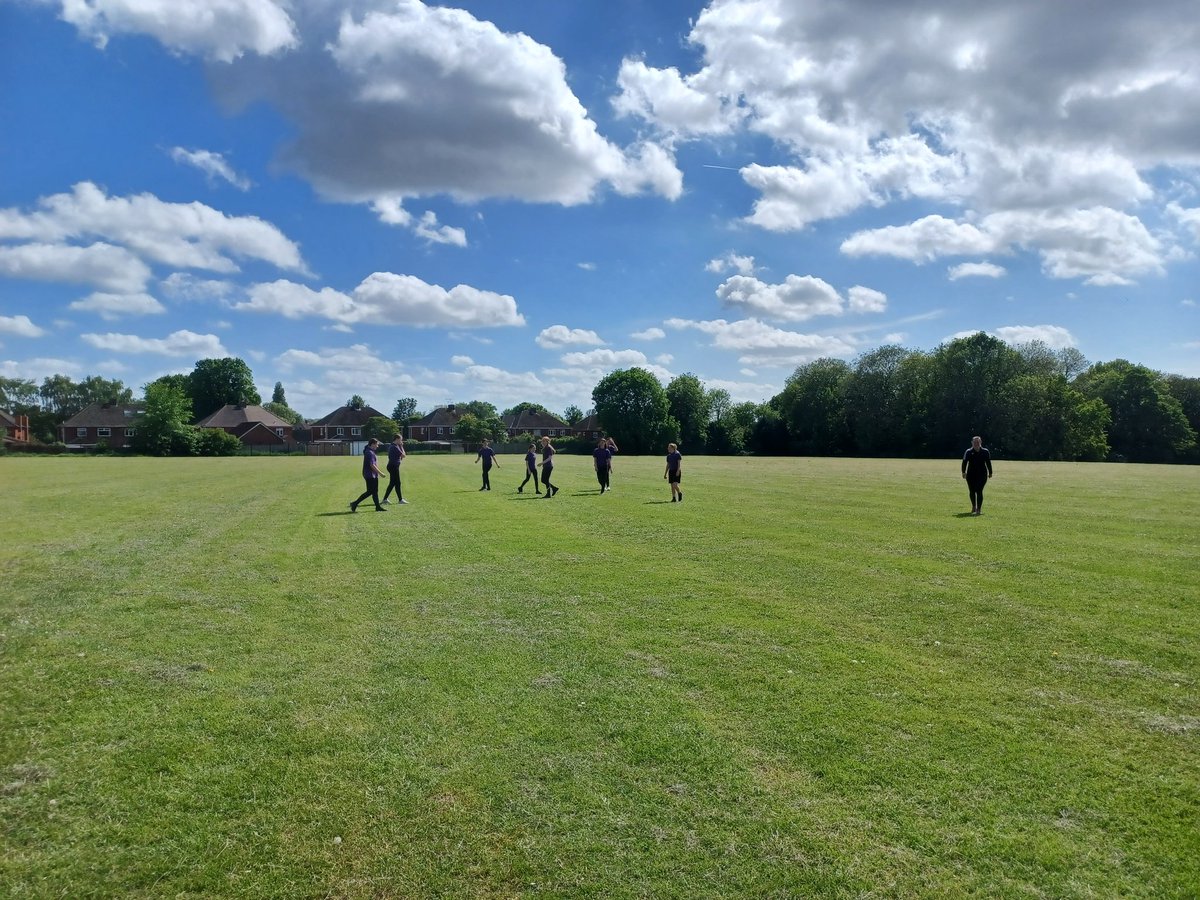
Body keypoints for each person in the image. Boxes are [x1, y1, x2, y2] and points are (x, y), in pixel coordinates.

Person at [350, 437, 387, 512]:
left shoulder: (370, 451)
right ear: (373, 444)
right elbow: (372, 465)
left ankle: (377, 507)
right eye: (377, 444)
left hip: (372, 475)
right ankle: (355, 503)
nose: (377, 446)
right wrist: (380, 473)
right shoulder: (369, 453)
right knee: (370, 491)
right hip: (370, 475)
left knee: (375, 491)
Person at [961, 434, 993, 515]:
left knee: (979, 490)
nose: (976, 443)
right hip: (971, 475)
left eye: (978, 442)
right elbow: (964, 463)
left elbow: (988, 463)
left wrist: (990, 472)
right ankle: (973, 507)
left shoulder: (985, 451)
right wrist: (963, 472)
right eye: (974, 442)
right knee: (972, 491)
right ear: (972, 442)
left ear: (980, 442)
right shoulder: (968, 452)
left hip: (982, 475)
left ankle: (979, 509)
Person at [382, 434, 408, 504]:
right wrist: (402, 446)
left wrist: (400, 446)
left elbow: (401, 457)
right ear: (397, 439)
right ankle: (400, 500)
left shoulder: (395, 446)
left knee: (393, 483)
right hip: (393, 466)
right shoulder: (394, 447)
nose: (401, 441)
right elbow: (403, 455)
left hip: (392, 466)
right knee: (397, 483)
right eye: (400, 439)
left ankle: (385, 499)